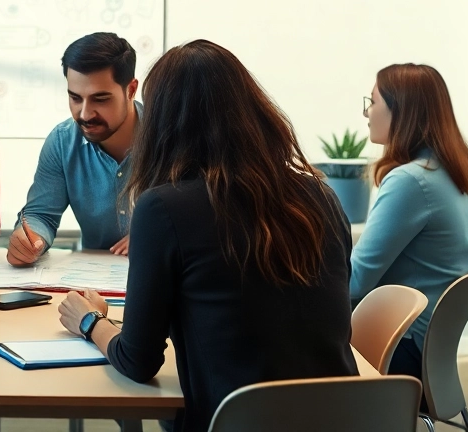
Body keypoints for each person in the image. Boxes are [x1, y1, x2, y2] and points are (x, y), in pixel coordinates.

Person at [57, 40, 358, 432]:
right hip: (345, 418)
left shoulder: (163, 209)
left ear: (162, 122)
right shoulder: (320, 195)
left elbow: (138, 361)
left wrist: (89, 321)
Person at [351, 63, 468, 380]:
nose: (367, 113)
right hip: (426, 352)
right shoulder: (446, 172)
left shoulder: (411, 181)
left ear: (401, 112)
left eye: (372, 102)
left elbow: (355, 283)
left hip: (398, 348)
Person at [8, 32, 141, 266]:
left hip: (163, 278)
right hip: (95, 280)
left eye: (100, 99)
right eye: (75, 98)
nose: (85, 114)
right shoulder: (62, 142)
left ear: (130, 90)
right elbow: (41, 216)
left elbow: (204, 213)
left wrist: (155, 234)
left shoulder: (170, 137)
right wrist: (29, 241)